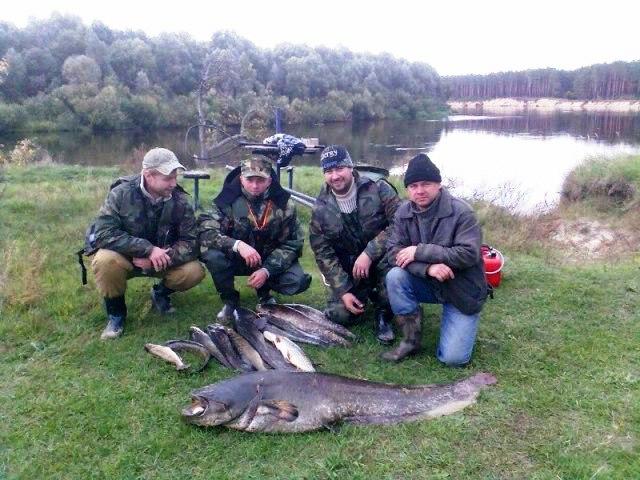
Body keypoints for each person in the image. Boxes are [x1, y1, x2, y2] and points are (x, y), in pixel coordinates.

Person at [87, 147, 205, 340]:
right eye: (168, 178)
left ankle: (160, 293)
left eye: (175, 177)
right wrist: (148, 250)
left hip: (163, 260)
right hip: (126, 258)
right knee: (104, 260)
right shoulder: (121, 193)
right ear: (149, 175)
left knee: (195, 271)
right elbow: (103, 233)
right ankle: (116, 315)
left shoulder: (180, 201)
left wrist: (160, 258)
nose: (174, 183)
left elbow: (191, 243)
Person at [382, 153, 488, 364]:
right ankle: (411, 340)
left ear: (438, 184)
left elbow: (469, 254)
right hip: (428, 281)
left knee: (453, 359)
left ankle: (459, 321)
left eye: (426, 184)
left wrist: (419, 251)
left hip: (462, 288)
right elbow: (393, 251)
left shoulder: (462, 212)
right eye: (413, 186)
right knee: (395, 276)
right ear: (407, 189)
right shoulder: (404, 211)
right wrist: (427, 269)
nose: (419, 191)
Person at [199, 156, 311, 321]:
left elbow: (292, 244)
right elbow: (204, 230)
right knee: (212, 255)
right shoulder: (225, 201)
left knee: (298, 281)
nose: (255, 185)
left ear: (269, 181)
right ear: (241, 179)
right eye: (250, 179)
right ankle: (230, 301)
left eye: (260, 180)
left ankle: (265, 294)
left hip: (268, 258)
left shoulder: (285, 205)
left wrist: (267, 270)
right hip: (236, 258)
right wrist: (237, 245)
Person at [309, 145, 401, 344]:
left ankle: (384, 313)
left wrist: (369, 253)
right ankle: (361, 295)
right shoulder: (321, 206)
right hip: (350, 267)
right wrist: (343, 290)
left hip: (382, 260)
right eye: (329, 171)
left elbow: (401, 224)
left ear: (351, 167)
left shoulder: (378, 188)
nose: (335, 176)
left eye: (339, 168)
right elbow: (322, 251)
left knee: (395, 282)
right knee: (339, 315)